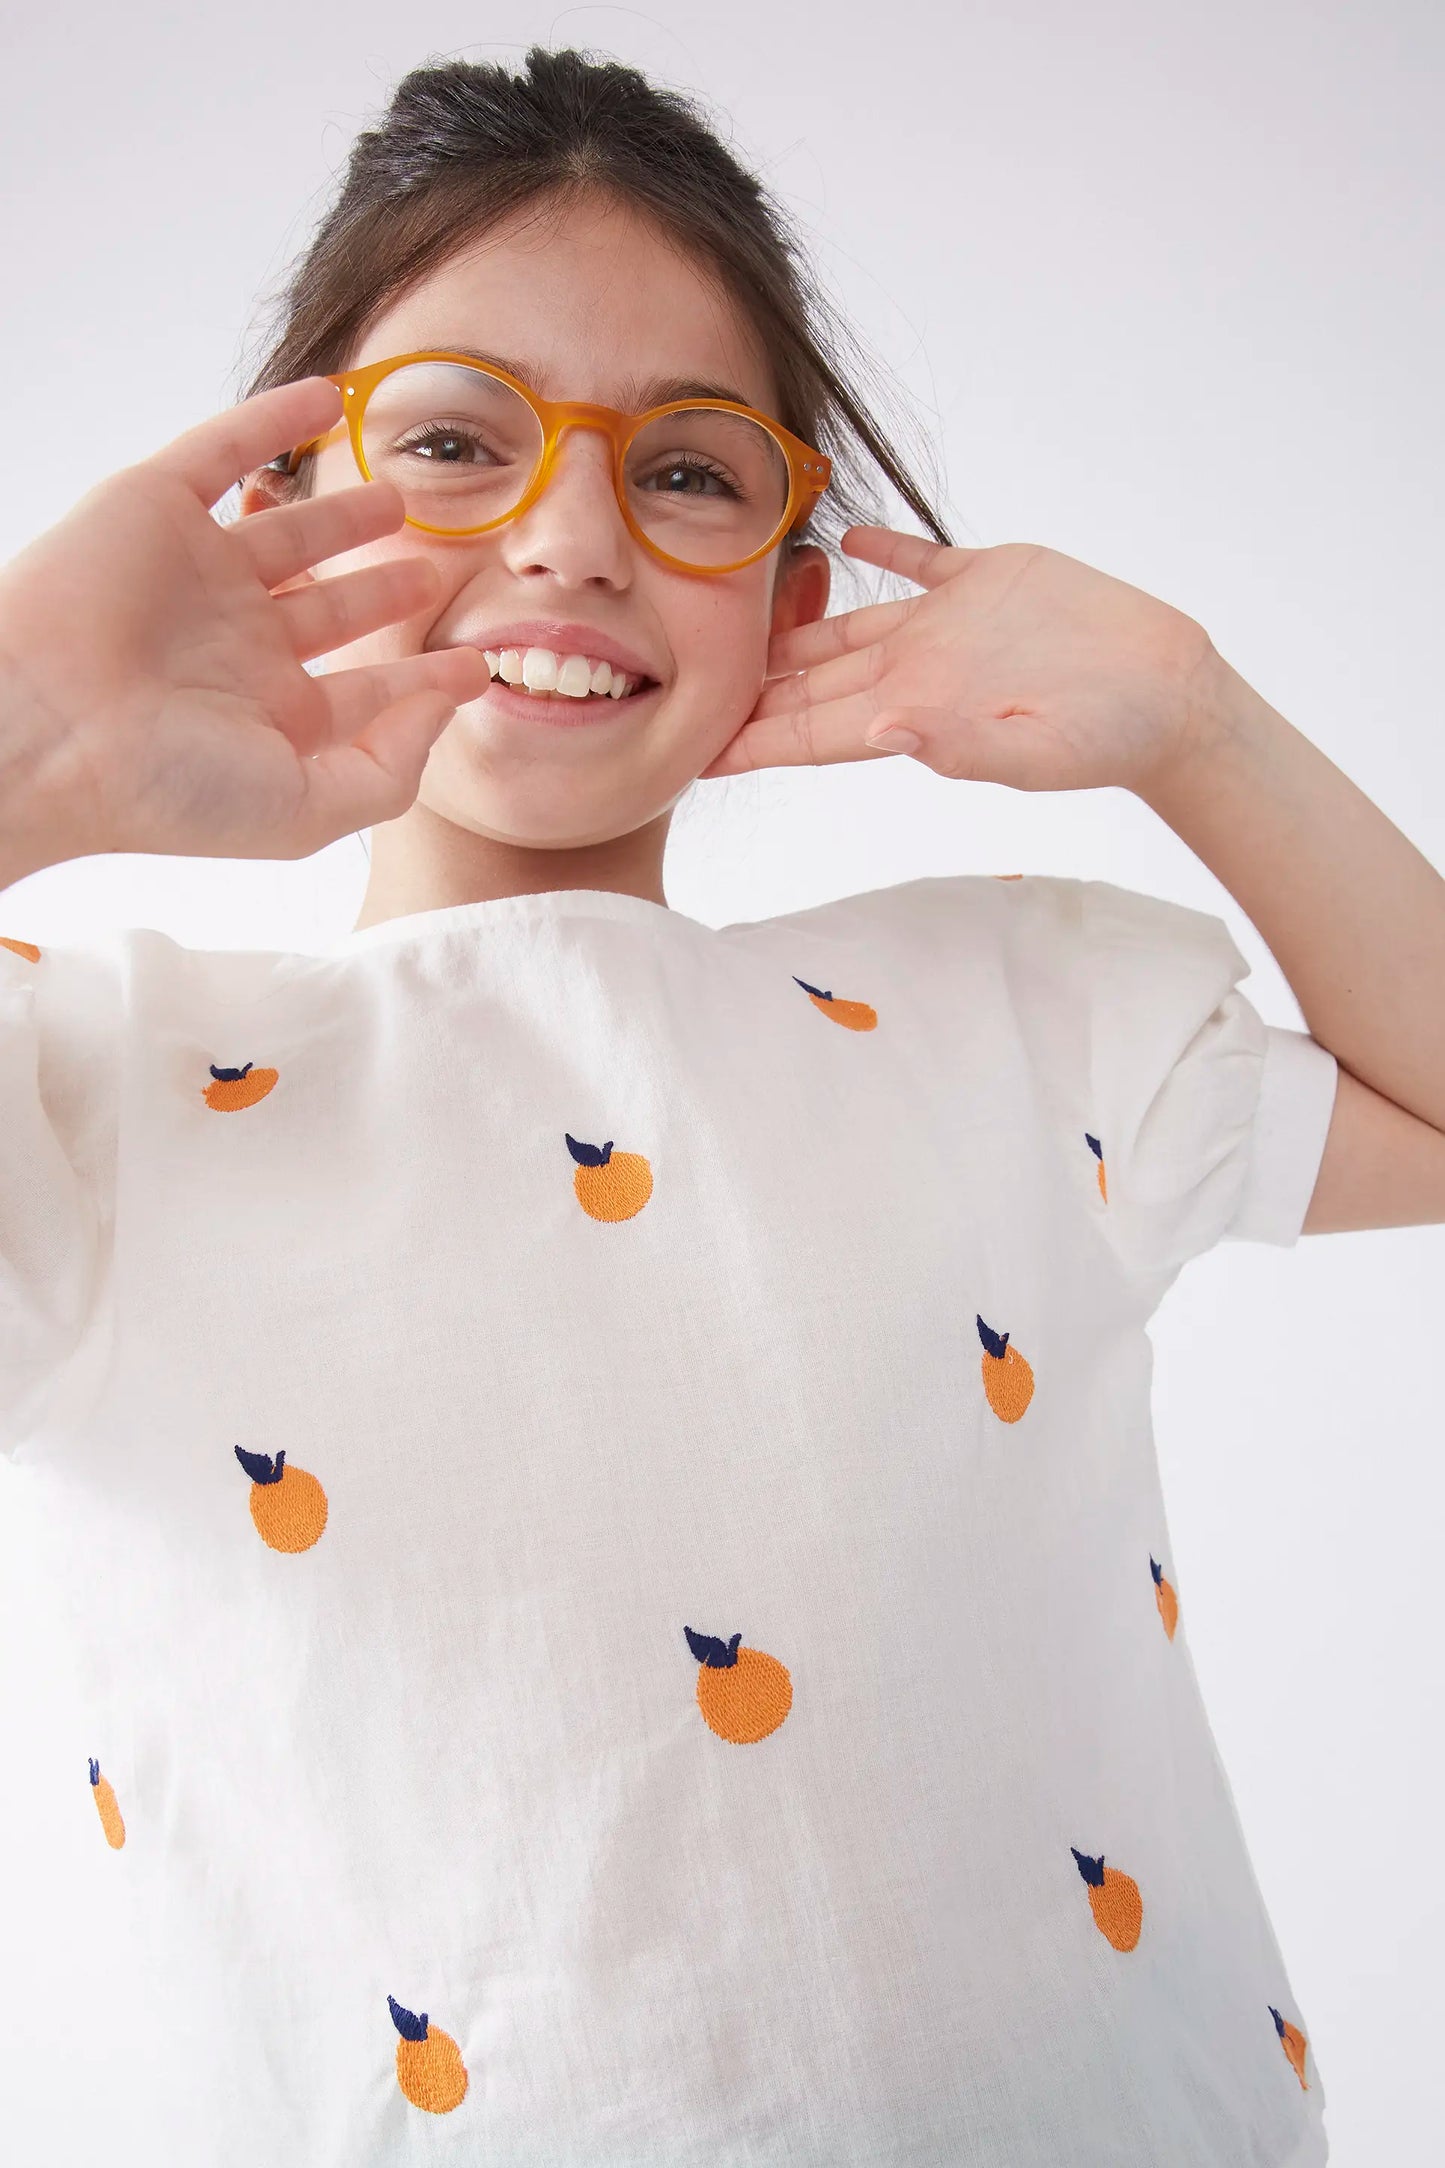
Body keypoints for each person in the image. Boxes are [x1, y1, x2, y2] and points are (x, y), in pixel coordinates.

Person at [0, 44, 1440, 2168]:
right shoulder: (91, 1081)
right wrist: (23, 749)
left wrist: (1195, 725)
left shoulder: (1009, 1007)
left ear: (791, 587)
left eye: (688, 471)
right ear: (281, 515)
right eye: (461, 444)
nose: (574, 537)